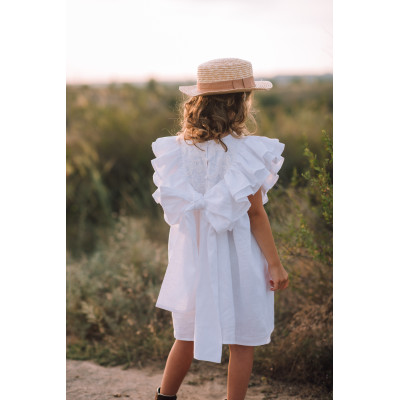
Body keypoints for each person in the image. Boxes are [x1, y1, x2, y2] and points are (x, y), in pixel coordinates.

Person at [151, 58, 289, 400]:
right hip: (239, 255)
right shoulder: (246, 152)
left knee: (186, 334)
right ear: (240, 103)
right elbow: (256, 215)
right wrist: (275, 263)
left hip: (194, 255)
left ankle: (164, 396)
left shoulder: (176, 151)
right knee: (243, 340)